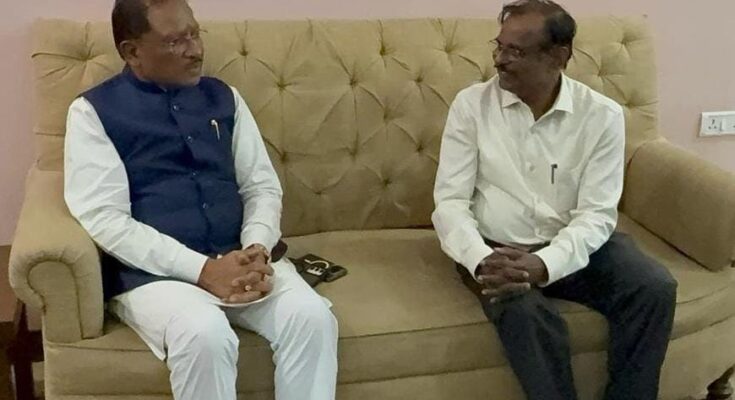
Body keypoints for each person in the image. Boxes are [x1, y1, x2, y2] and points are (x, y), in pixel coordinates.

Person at [63, 1, 338, 399]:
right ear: (132, 51)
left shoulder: (224, 97)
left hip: (241, 259)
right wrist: (203, 270)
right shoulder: (93, 112)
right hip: (156, 277)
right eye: (175, 41)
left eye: (194, 34)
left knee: (312, 318)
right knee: (204, 334)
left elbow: (261, 186)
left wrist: (256, 248)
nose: (194, 50)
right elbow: (106, 219)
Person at [431, 1, 677, 399]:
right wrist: (481, 260)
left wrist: (545, 263)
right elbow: (450, 202)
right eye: (499, 46)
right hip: (495, 250)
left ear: (558, 57)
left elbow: (597, 215)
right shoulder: (471, 105)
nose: (500, 60)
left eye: (515, 51)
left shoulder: (602, 116)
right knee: (526, 315)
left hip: (573, 243)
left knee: (654, 287)